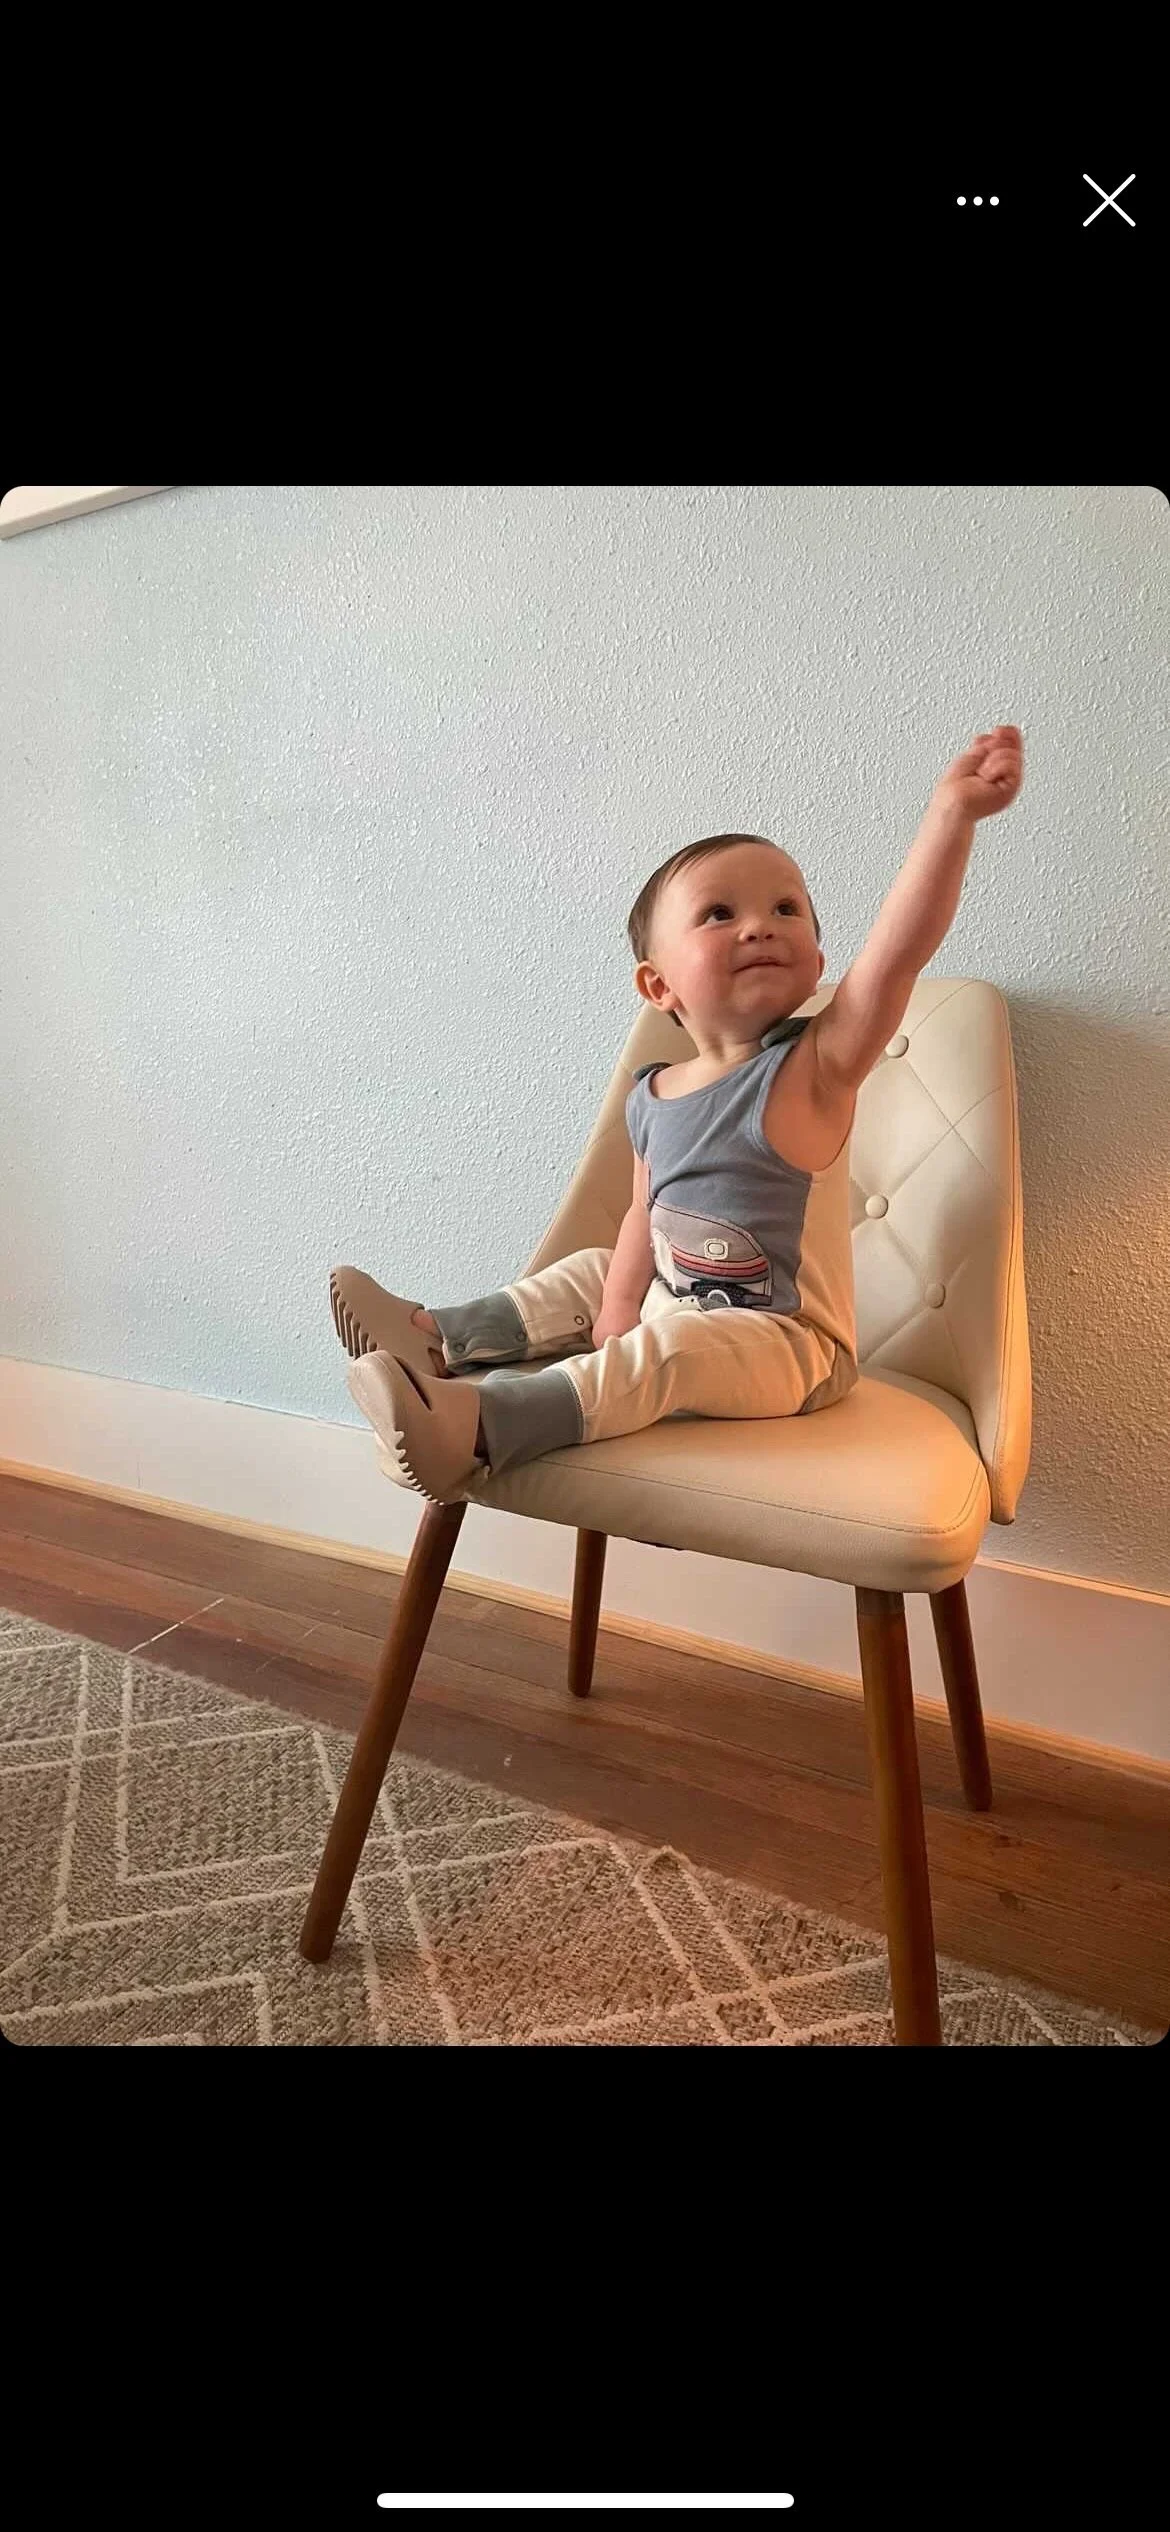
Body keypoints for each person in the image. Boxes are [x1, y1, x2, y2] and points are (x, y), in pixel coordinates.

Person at [334, 727, 1024, 1505]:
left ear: (821, 965)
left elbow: (900, 951)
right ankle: (437, 1341)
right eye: (719, 913)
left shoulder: (812, 1070)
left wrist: (951, 817)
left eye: (786, 908)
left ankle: (482, 1424)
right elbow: (642, 1215)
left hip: (789, 1349)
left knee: (672, 1349)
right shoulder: (652, 1093)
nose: (759, 924)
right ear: (658, 986)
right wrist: (617, 1309)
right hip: (676, 1298)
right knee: (592, 1272)